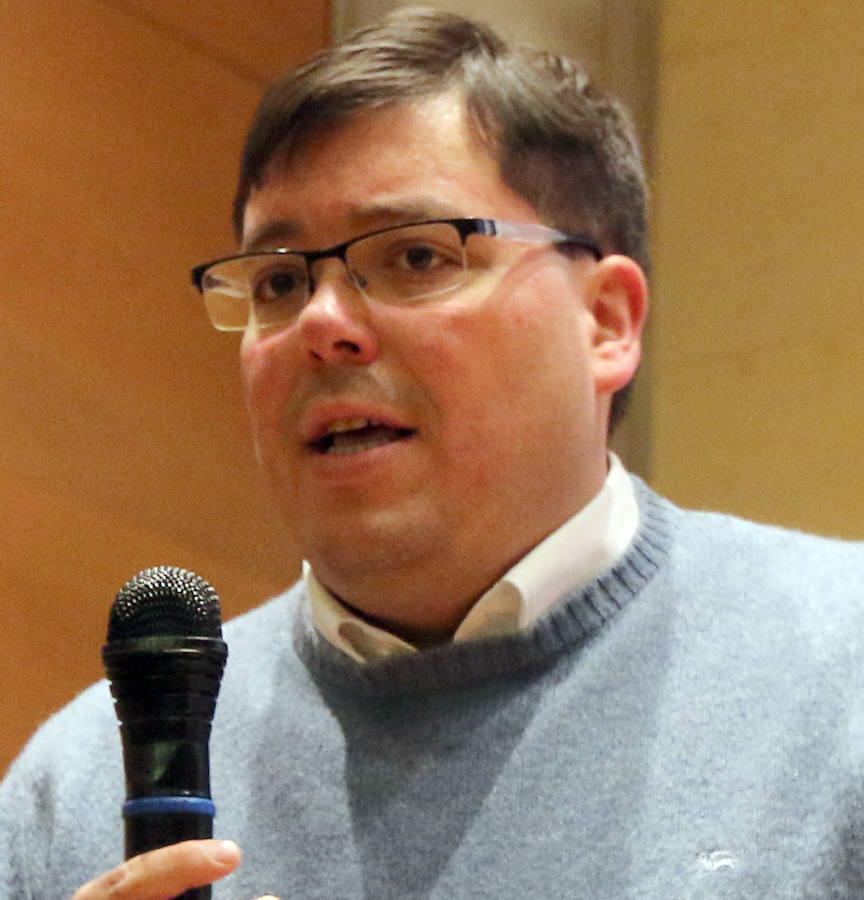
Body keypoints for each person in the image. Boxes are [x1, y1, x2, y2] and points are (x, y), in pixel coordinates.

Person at [3, 7, 864, 899]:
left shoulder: (843, 676)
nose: (323, 324)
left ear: (604, 322)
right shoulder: (73, 796)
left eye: (416, 256)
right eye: (281, 282)